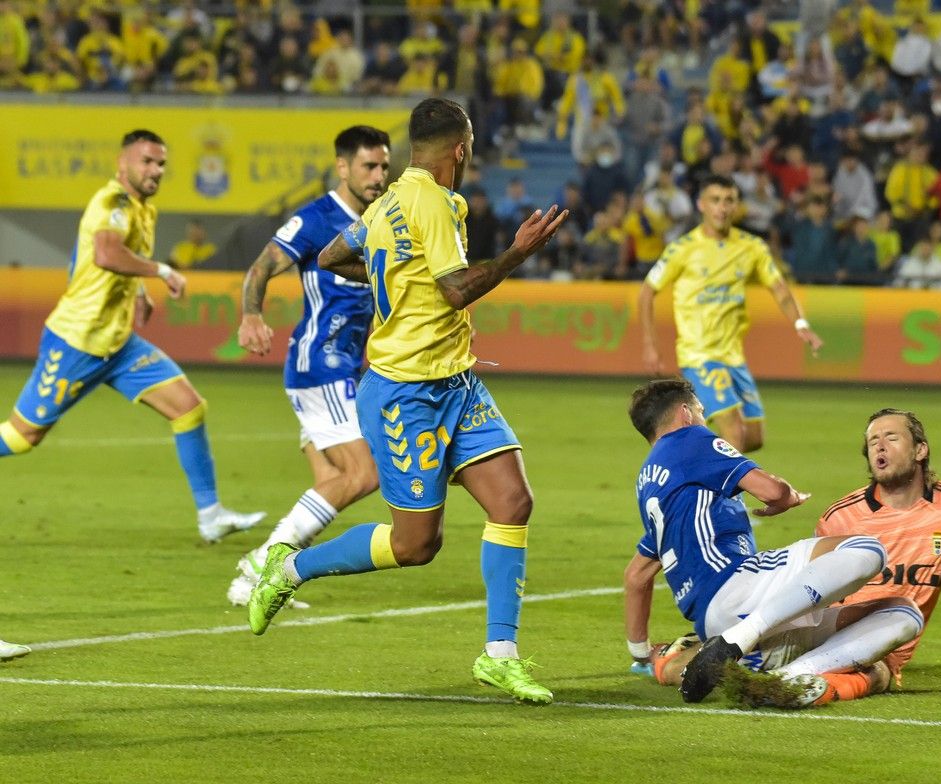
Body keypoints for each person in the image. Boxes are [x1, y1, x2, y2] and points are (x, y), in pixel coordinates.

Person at [245, 97, 568, 705]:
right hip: (404, 395)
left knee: (513, 500)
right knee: (415, 545)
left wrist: (392, 272)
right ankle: (287, 568)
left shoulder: (388, 201)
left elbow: (331, 256)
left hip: (456, 382)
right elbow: (454, 290)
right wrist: (518, 254)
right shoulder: (437, 203)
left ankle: (499, 656)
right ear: (462, 150)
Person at [644, 407, 941, 705]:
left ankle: (782, 679)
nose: (879, 445)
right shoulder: (842, 517)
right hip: (819, 631)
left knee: (901, 624)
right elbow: (808, 594)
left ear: (920, 450)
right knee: (853, 663)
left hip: (880, 643)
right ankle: (704, 660)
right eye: (873, 440)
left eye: (891, 437)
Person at [0, 130, 263, 542]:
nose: (156, 170)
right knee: (19, 437)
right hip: (76, 344)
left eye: (161, 164)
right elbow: (106, 252)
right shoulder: (112, 202)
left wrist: (137, 289)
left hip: (119, 345)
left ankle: (211, 516)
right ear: (122, 165)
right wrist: (159, 271)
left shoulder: (143, 210)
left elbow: (89, 259)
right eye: (147, 161)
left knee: (188, 407)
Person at [622, 378, 897, 707]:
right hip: (736, 587)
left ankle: (768, 673)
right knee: (868, 550)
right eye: (700, 411)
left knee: (900, 616)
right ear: (685, 413)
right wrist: (787, 496)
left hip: (713, 617)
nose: (703, 419)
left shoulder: (651, 482)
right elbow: (770, 490)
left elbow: (636, 575)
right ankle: (748, 642)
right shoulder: (690, 440)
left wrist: (640, 654)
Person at [229, 125, 392, 608]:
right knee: (363, 474)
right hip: (320, 365)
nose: (378, 176)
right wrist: (251, 315)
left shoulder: (383, 217)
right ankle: (266, 559)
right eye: (368, 166)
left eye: (384, 166)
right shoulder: (318, 218)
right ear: (342, 167)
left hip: (349, 369)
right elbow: (261, 266)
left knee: (332, 483)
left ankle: (252, 584)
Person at [638, 175, 824, 454]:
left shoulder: (751, 247)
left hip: (733, 356)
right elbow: (647, 293)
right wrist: (650, 344)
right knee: (734, 432)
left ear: (737, 206)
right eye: (715, 200)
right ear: (701, 204)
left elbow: (780, 290)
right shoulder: (682, 249)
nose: (722, 208)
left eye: (729, 201)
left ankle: (689, 460)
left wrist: (801, 323)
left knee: (753, 438)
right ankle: (723, 498)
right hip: (699, 354)